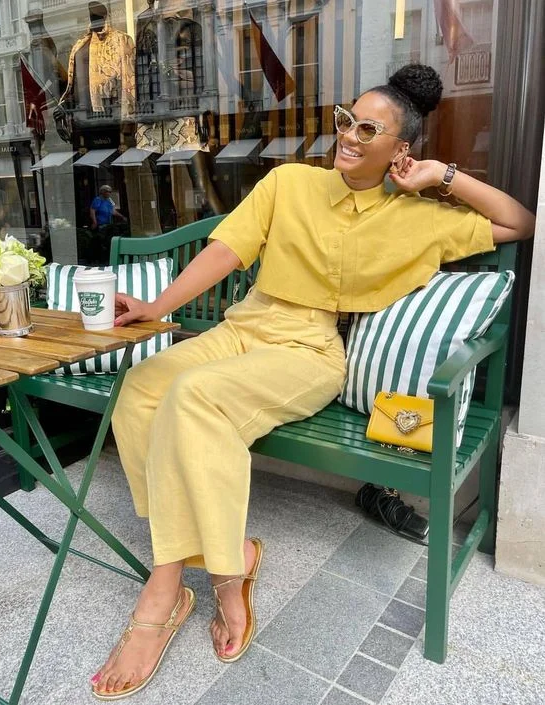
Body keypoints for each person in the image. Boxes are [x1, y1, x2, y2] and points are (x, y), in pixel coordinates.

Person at [90, 64, 535, 699]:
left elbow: (520, 223)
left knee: (194, 398)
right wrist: (159, 309)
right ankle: (229, 554)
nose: (348, 135)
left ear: (400, 149)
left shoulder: (420, 219)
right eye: (346, 120)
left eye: (368, 128)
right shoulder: (290, 182)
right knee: (143, 387)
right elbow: (227, 250)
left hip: (309, 351)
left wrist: (445, 177)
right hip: (244, 326)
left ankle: (179, 585)